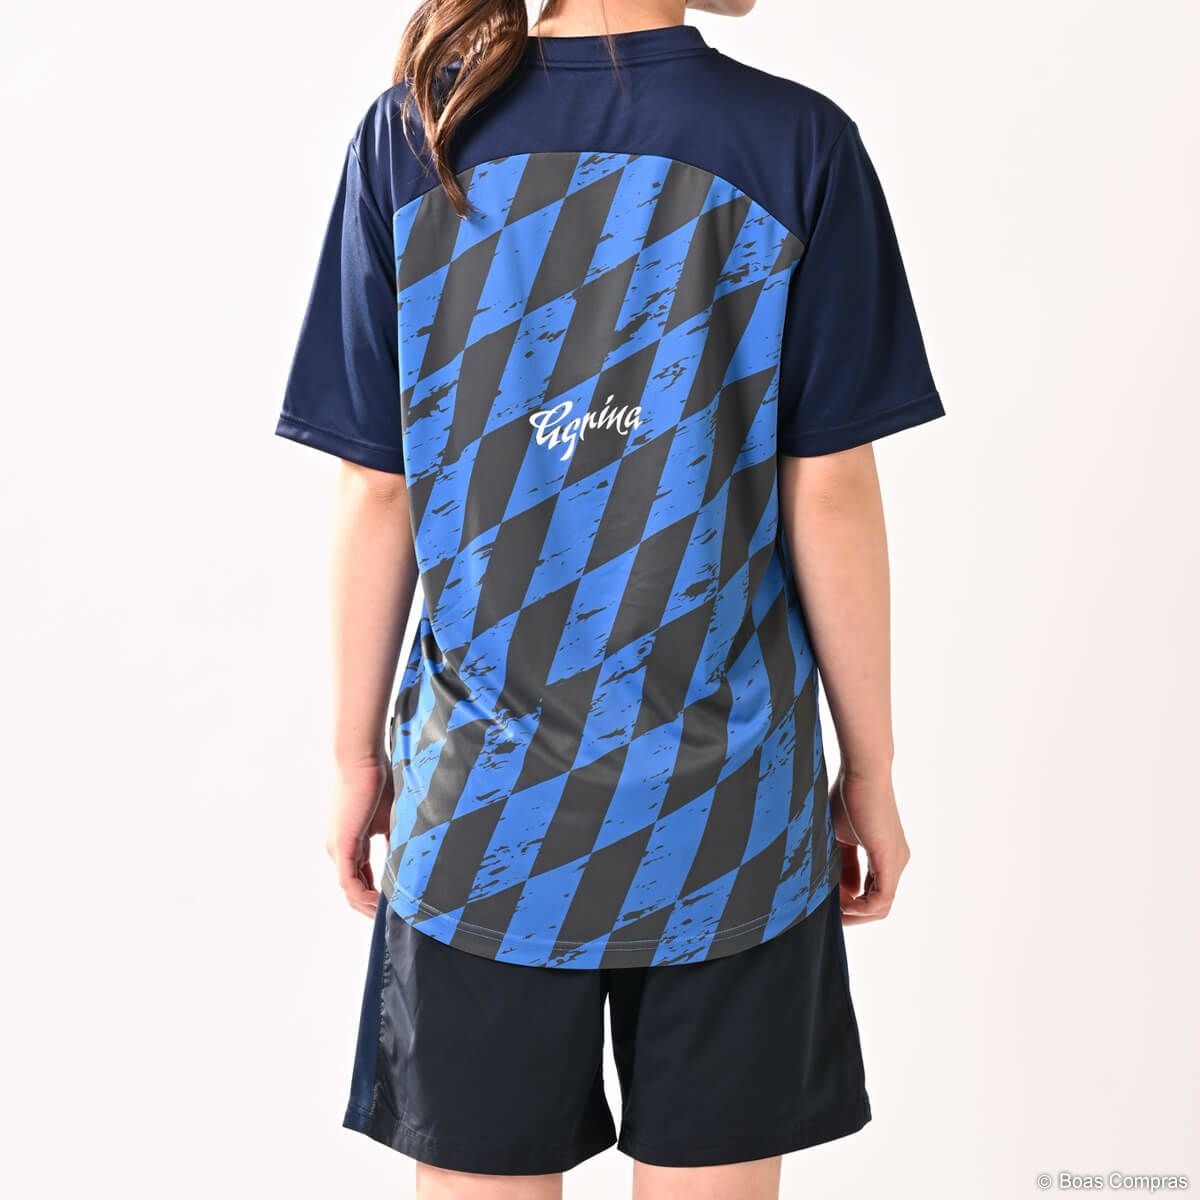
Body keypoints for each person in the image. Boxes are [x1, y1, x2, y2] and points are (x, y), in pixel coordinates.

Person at [274, 0, 944, 1195]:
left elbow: (378, 489)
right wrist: (872, 772)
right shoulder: (797, 145)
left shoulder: (417, 138)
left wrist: (354, 761)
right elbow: (831, 486)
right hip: (729, 815)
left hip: (483, 814)